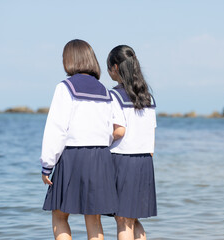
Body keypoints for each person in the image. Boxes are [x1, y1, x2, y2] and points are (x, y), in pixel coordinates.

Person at [40, 39, 118, 240]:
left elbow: (56, 129)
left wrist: (47, 165)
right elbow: (110, 131)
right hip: (101, 157)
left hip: (74, 155)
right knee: (94, 220)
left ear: (69, 60)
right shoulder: (105, 91)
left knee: (59, 215)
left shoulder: (65, 87)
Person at [107, 45, 157, 240]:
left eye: (109, 67)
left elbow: (119, 131)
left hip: (123, 160)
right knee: (132, 218)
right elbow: (150, 132)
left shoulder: (115, 96)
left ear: (116, 68)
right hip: (145, 160)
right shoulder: (148, 97)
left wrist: (102, 140)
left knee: (122, 220)